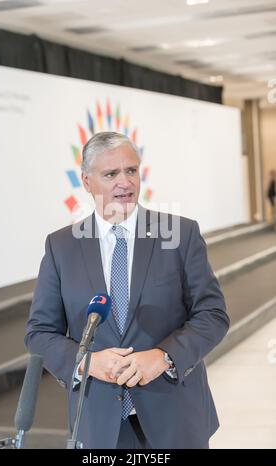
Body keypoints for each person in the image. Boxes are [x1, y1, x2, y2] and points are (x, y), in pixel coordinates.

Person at [25, 131, 230, 449]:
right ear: (87, 181)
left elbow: (213, 315)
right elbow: (40, 331)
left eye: (131, 170)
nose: (125, 182)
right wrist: (87, 362)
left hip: (175, 416)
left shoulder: (180, 234)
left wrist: (164, 357)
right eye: (111, 174)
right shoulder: (61, 246)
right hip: (99, 423)